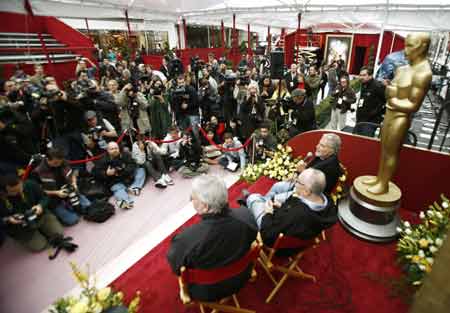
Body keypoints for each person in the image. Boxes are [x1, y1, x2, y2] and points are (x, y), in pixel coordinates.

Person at [167, 175, 257, 301]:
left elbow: (177, 268)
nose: (191, 200)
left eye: (192, 197)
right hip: (242, 276)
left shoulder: (186, 239)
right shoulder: (246, 216)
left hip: (208, 291)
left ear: (205, 206)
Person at [363, 33, 432, 195]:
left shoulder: (423, 73)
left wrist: (393, 98)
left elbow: (413, 105)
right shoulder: (402, 68)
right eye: (406, 45)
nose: (406, 50)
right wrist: (392, 94)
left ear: (422, 47)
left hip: (400, 118)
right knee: (383, 149)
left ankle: (383, 183)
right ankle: (379, 178)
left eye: (411, 46)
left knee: (391, 152)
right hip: (389, 114)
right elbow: (389, 91)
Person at [243, 168, 337, 253]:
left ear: (306, 191)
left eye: (298, 182)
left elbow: (267, 236)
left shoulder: (297, 214)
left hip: (278, 242)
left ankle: (250, 201)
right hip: (291, 225)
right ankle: (259, 201)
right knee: (267, 199)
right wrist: (282, 207)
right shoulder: (328, 202)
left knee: (253, 197)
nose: (294, 184)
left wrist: (268, 214)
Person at [265, 133, 343, 199]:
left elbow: (314, 188)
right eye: (319, 143)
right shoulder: (322, 156)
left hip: (308, 195)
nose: (317, 146)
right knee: (276, 186)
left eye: (322, 146)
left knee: (277, 198)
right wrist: (295, 175)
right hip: (298, 185)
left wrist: (302, 172)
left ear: (332, 150)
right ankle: (264, 204)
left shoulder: (331, 166)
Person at [0, 174, 65, 252]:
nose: (19, 192)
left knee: (59, 233)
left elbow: (44, 197)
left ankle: (43, 230)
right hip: (21, 227)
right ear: (3, 191)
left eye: (20, 187)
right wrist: (8, 219)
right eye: (13, 191)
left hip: (41, 216)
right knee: (40, 246)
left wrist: (40, 205)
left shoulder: (29, 184)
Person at [33, 147, 92, 226]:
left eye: (60, 162)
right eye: (55, 163)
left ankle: (71, 207)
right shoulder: (38, 171)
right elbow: (39, 191)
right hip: (54, 199)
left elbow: (74, 172)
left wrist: (74, 183)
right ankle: (65, 210)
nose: (58, 165)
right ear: (47, 159)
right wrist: (56, 193)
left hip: (69, 191)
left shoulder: (63, 162)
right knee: (73, 220)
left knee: (88, 206)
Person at [94, 142, 145, 209]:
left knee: (141, 170)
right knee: (118, 189)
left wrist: (122, 171)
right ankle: (126, 202)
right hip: (115, 181)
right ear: (107, 150)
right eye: (112, 149)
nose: (115, 150)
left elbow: (133, 164)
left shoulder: (124, 154)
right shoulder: (102, 160)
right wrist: (106, 173)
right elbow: (95, 173)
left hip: (127, 177)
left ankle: (135, 187)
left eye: (116, 148)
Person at [354, 66, 386, 137]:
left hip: (370, 123)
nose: (361, 77)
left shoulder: (378, 86)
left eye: (364, 75)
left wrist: (379, 112)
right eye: (360, 75)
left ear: (370, 76)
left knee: (365, 142)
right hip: (360, 119)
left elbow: (387, 101)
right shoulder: (363, 84)